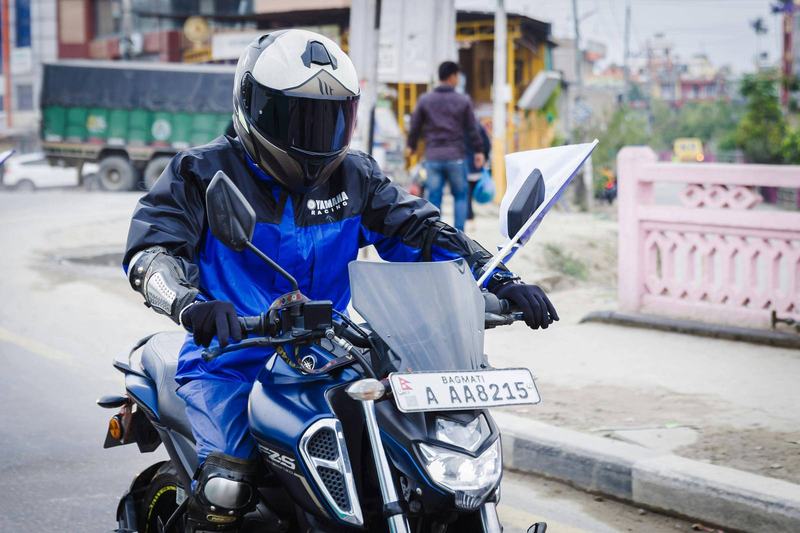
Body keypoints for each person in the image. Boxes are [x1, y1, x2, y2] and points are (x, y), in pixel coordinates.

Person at [123, 30, 557, 532]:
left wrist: (499, 277)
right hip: (232, 357)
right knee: (226, 485)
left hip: (331, 358)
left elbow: (421, 232)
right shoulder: (201, 173)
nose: (315, 137)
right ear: (253, 107)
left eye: (329, 120)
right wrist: (191, 305)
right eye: (298, 118)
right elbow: (150, 252)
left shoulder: (355, 177)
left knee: (408, 459)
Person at [405, 61, 485, 231]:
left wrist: (411, 145)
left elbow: (415, 125)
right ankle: (459, 237)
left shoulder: (425, 100)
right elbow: (472, 128)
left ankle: (434, 236)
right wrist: (479, 151)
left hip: (433, 157)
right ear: (452, 76)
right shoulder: (462, 100)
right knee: (460, 197)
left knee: (433, 198)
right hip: (456, 157)